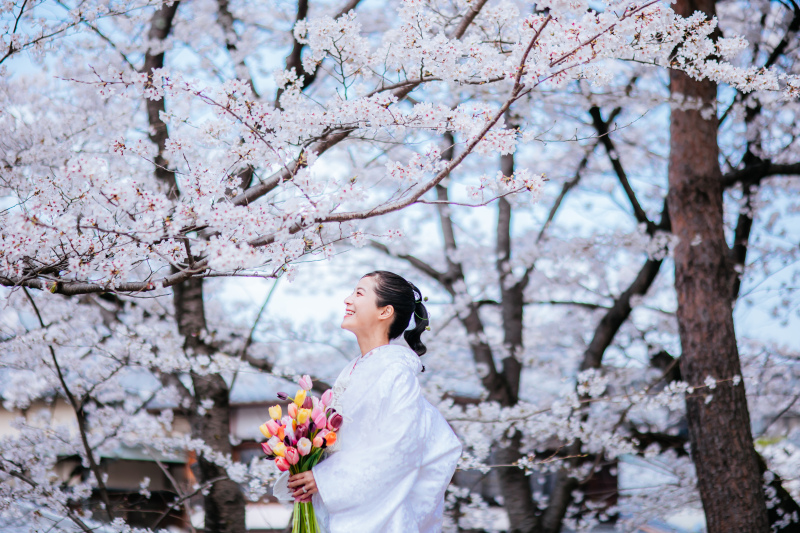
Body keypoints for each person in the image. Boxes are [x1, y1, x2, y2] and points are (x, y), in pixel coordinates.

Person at [273, 270, 462, 532]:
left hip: (376, 516)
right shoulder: (355, 370)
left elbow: (398, 449)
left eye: (359, 293)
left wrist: (325, 480)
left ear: (384, 311)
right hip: (342, 507)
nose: (347, 300)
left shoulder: (396, 372)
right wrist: (305, 464)